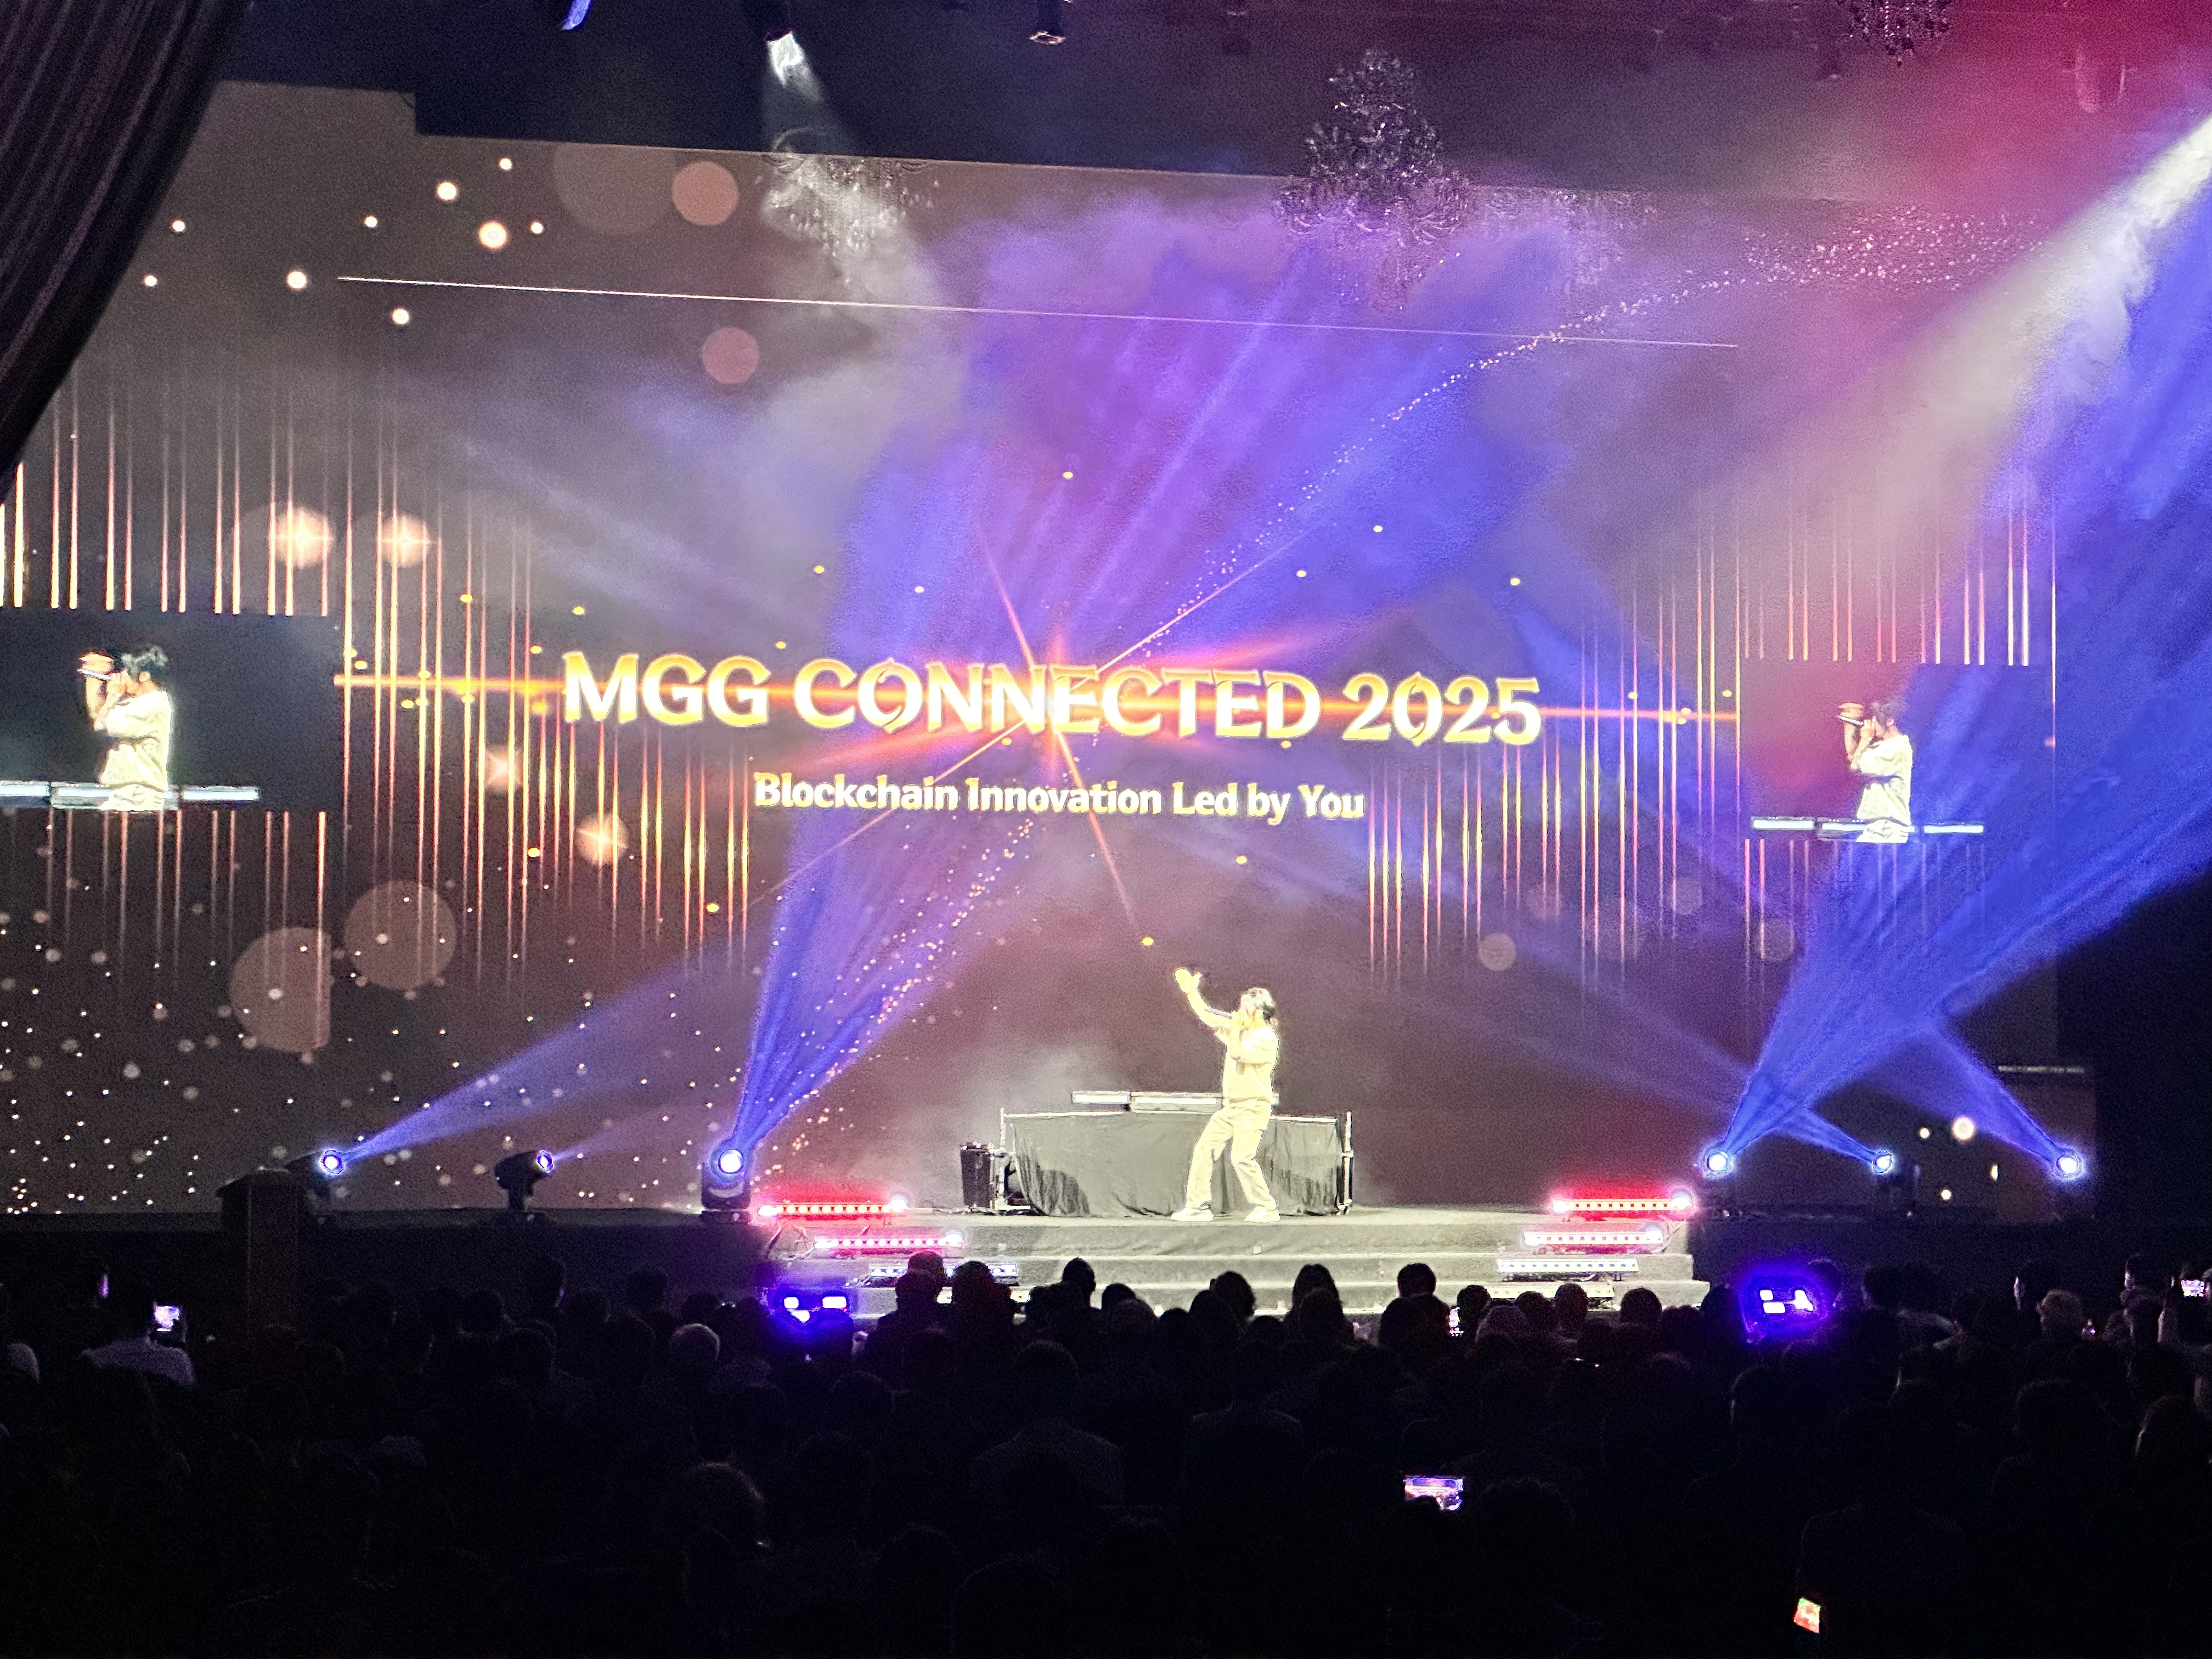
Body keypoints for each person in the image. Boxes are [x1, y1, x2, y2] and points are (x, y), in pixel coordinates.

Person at [1169, 968, 1281, 1223]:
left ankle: (1267, 1207)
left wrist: (1235, 1030)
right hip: (1230, 1107)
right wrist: (1192, 993)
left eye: (1243, 1009)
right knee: (1204, 1148)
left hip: (1253, 1107)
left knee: (1242, 1158)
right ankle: (1197, 1207)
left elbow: (1239, 1054)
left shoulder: (1266, 1039)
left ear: (1258, 1013)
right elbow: (1208, 1016)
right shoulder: (1241, 1030)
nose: (1238, 1013)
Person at [81, 646, 174, 812]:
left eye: (126, 673)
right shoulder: (140, 702)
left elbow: (100, 724)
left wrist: (112, 696)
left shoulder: (151, 706)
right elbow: (99, 716)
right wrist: (93, 678)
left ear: (144, 676)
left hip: (139, 793)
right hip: (130, 790)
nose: (122, 677)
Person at [1838, 697, 1912, 843]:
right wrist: (1849, 725)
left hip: (1887, 829)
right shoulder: (1885, 746)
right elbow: (1854, 757)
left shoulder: (1896, 749)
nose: (1872, 724)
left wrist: (1865, 740)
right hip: (1877, 827)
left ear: (1890, 721)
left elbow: (1856, 766)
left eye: (1875, 720)